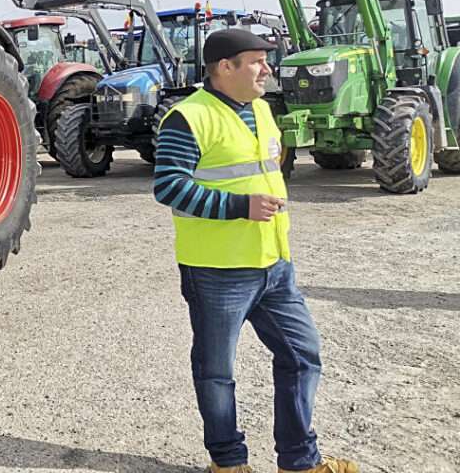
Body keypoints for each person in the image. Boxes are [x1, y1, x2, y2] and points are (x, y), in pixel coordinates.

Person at [153, 28, 358, 473]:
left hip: (274, 263)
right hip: (217, 269)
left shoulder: (263, 111)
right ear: (225, 68)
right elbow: (168, 186)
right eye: (256, 61)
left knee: (302, 355)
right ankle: (228, 463)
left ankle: (299, 463)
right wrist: (238, 207)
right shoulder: (188, 118)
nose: (267, 68)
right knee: (216, 372)